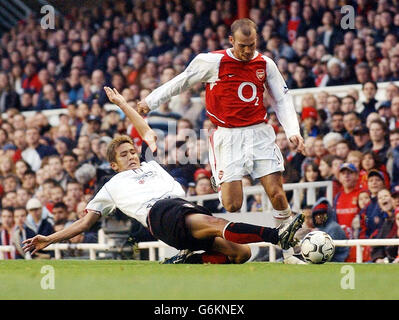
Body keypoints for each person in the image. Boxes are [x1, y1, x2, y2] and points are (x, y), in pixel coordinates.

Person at [22, 87, 305, 265]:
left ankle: (185, 262)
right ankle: (278, 236)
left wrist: (123, 104)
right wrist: (50, 239)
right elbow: (84, 223)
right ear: (114, 165)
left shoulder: (151, 164)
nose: (132, 155)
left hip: (182, 210)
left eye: (132, 151)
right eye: (124, 155)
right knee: (216, 222)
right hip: (160, 214)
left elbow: (146, 132)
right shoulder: (112, 185)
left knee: (241, 254)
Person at [137, 19, 305, 264]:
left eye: (252, 45)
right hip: (227, 136)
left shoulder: (265, 64)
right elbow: (181, 81)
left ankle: (289, 253)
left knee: (277, 194)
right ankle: (219, 179)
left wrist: (293, 130)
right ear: (231, 41)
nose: (248, 51)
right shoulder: (211, 61)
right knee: (232, 204)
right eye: (242, 46)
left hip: (259, 133)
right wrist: (150, 101)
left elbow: (281, 98)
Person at [311, 198, 349, 262]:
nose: (319, 217)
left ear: (328, 214)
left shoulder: (334, 228)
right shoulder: (318, 229)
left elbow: (328, 252)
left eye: (322, 214)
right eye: (316, 214)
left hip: (338, 263)